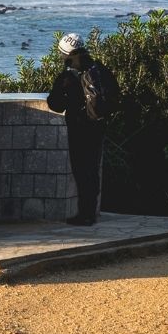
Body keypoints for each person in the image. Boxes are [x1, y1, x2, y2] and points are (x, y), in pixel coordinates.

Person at [46, 32, 118, 225]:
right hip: (97, 125)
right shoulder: (99, 69)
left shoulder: (67, 77)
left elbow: (55, 104)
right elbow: (114, 94)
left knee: (81, 169)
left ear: (66, 54)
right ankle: (91, 212)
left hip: (78, 127)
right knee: (92, 169)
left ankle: (84, 214)